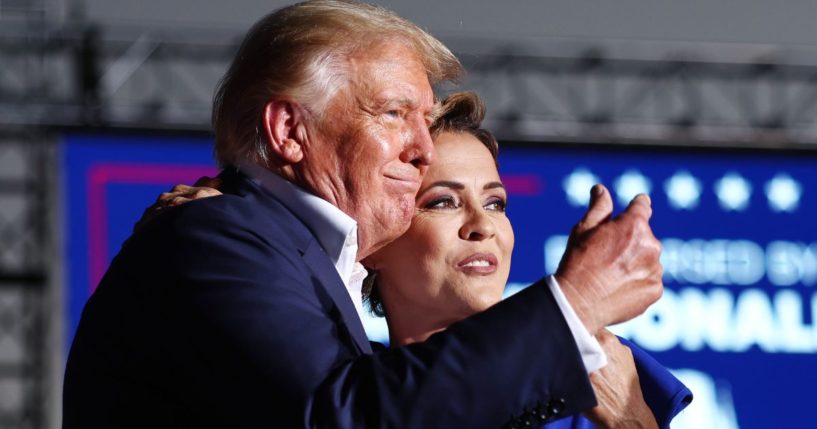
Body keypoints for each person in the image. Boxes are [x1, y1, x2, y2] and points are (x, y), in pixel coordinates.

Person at [63, 2, 663, 428]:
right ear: (290, 131)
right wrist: (573, 305)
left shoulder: (261, 250)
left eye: (425, 122)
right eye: (394, 113)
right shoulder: (217, 236)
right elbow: (339, 415)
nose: (422, 148)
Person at [161, 92, 692, 428]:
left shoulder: (595, 373)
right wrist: (251, 222)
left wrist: (631, 424)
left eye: (495, 202)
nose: (482, 225)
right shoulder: (327, 387)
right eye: (441, 201)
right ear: (374, 240)